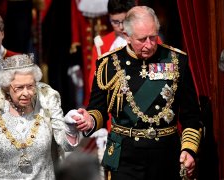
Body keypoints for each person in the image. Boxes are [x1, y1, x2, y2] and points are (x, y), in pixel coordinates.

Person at [73, 6, 202, 180]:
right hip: (126, 158)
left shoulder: (176, 60)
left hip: (166, 156)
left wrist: (188, 150)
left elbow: (191, 115)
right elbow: (98, 109)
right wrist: (90, 120)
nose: (149, 45)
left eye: (153, 37)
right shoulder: (108, 64)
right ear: (127, 35)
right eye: (142, 39)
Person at [0, 54, 83, 179]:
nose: (26, 93)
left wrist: (70, 128)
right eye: (19, 88)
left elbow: (66, 145)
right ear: (7, 87)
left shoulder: (47, 103)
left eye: (30, 86)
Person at [86, 0, 135, 106]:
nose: (121, 27)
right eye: (115, 22)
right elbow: (93, 84)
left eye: (125, 21)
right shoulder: (101, 45)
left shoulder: (148, 39)